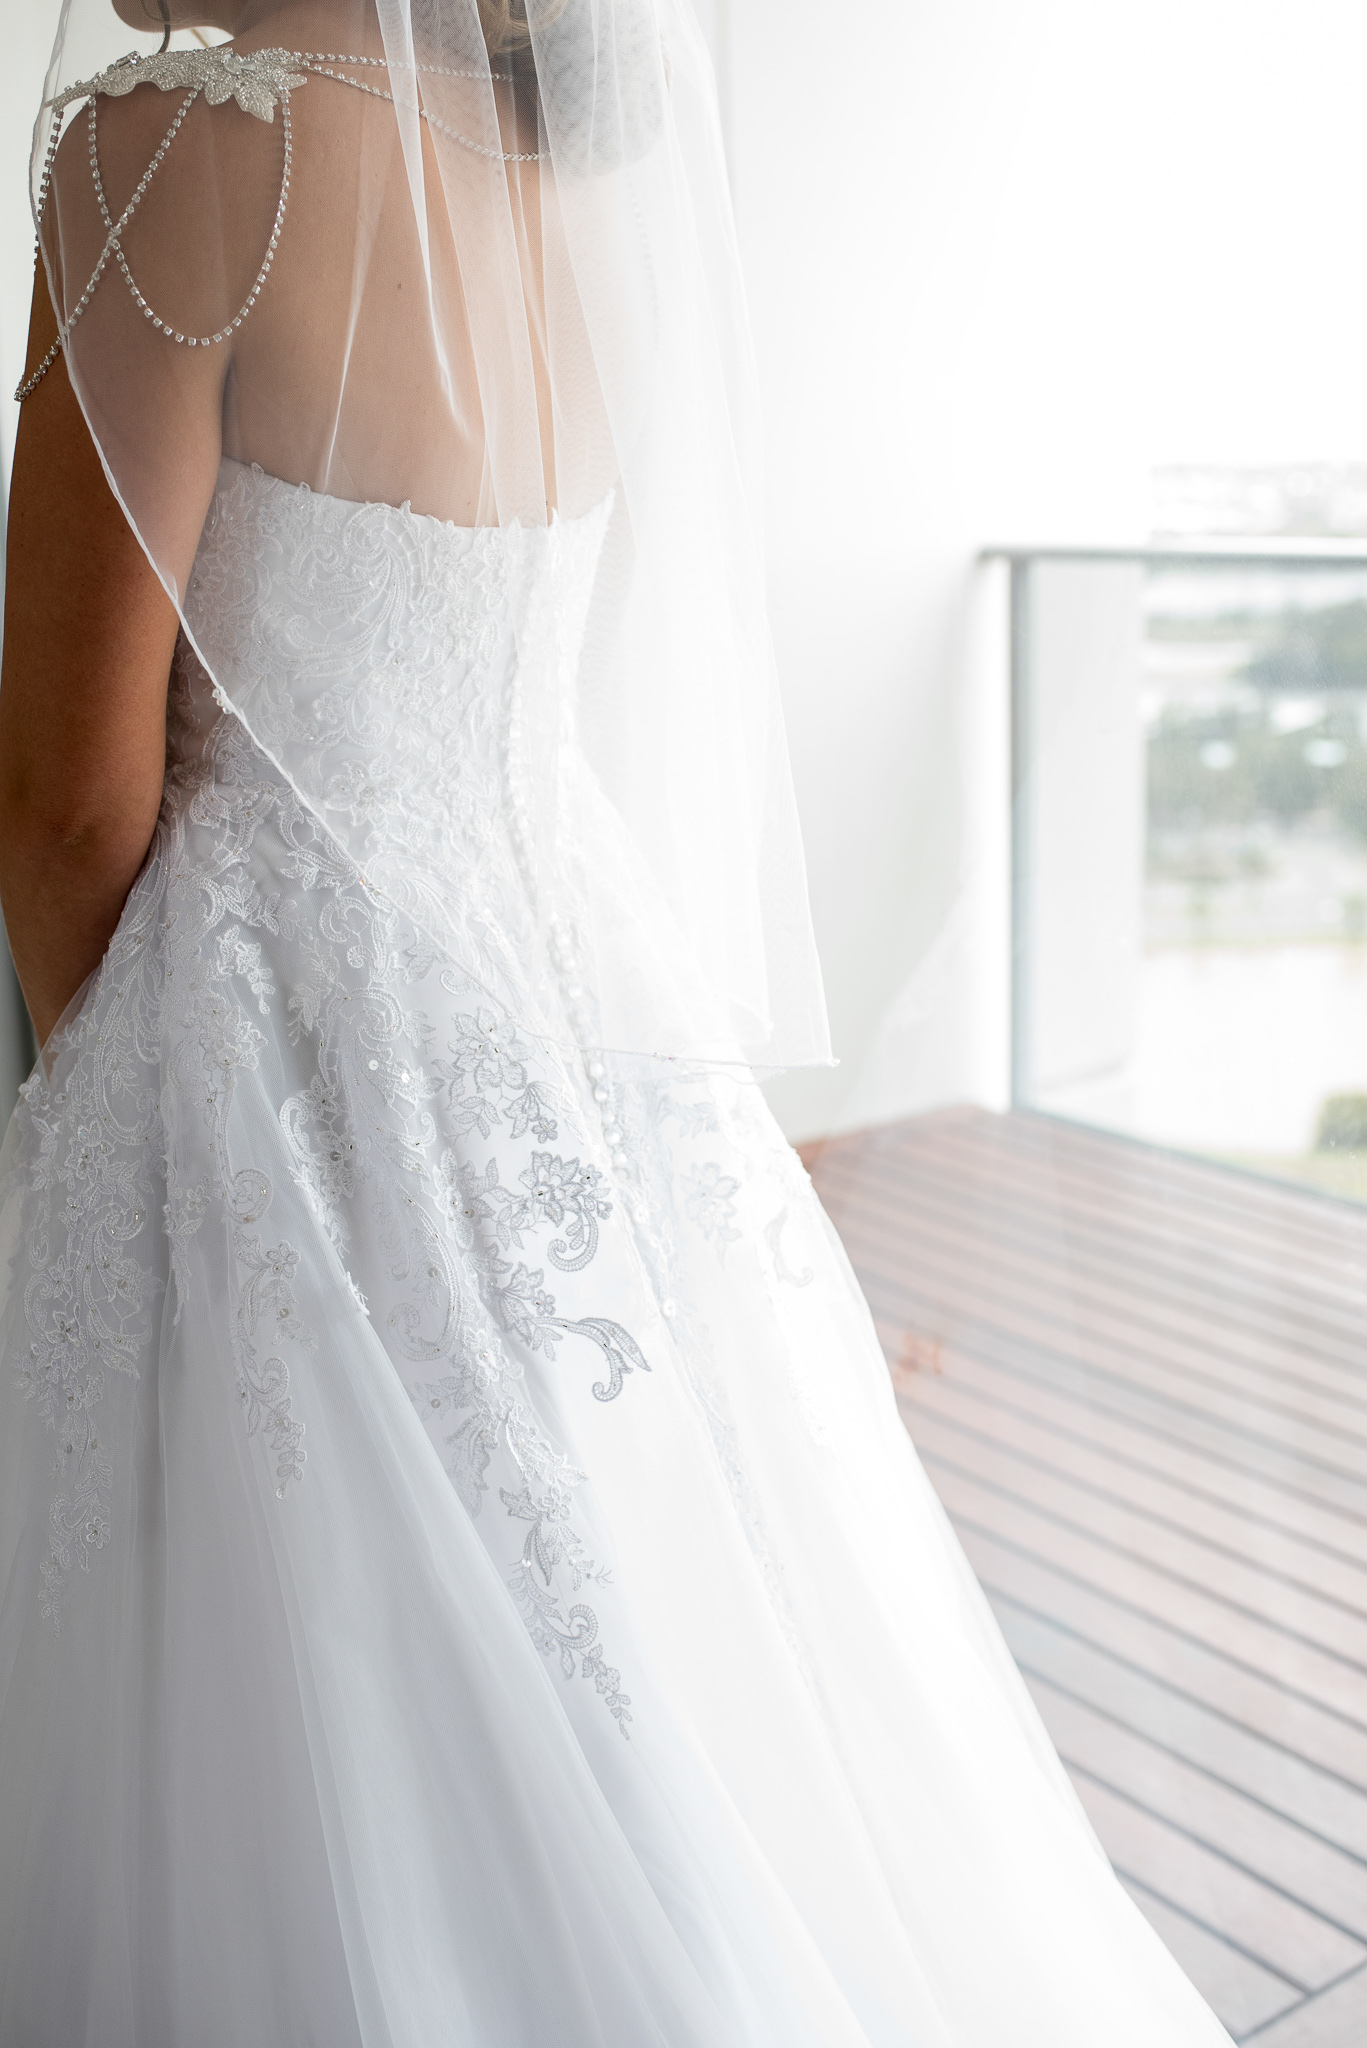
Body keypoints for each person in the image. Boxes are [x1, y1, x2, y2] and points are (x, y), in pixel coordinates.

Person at [0, 3, 1234, 2042]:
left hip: (263, 1040)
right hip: (570, 1012)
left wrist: (125, 1116)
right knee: (657, 1654)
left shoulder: (172, 145)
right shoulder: (551, 178)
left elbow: (63, 797)